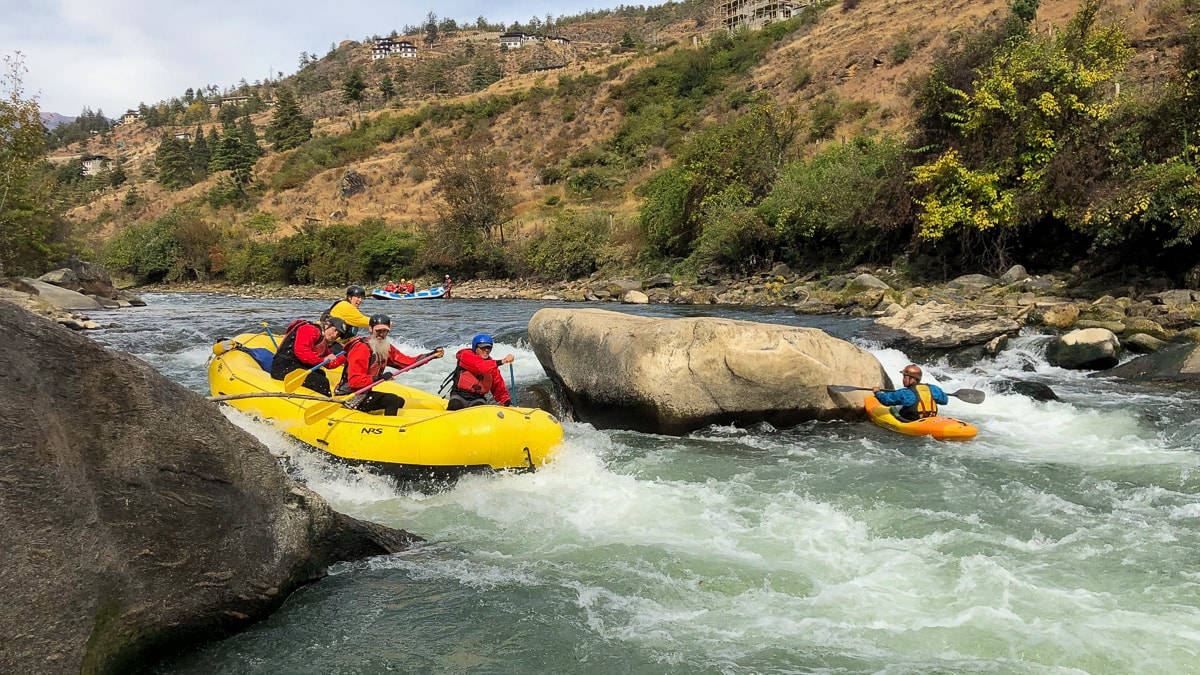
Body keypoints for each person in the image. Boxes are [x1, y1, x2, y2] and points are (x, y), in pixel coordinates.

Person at [335, 314, 444, 416]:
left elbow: (406, 363)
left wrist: (431, 355)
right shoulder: (361, 348)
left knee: (399, 401)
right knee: (391, 400)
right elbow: (354, 381)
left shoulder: (385, 348)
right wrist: (379, 378)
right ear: (370, 329)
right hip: (348, 396)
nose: (380, 334)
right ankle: (388, 431)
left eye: (384, 331)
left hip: (364, 393)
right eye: (378, 331)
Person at [269, 317, 349, 396]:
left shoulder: (322, 342)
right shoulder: (309, 329)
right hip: (283, 366)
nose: (335, 335)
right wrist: (322, 360)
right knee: (321, 381)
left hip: (295, 367)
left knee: (321, 373)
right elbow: (302, 352)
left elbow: (329, 364)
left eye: (338, 334)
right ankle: (325, 401)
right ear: (327, 325)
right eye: (334, 330)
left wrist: (345, 355)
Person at [445, 333, 513, 410]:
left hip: (477, 398)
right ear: (476, 348)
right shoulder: (465, 356)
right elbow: (480, 366)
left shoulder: (492, 367)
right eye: (483, 347)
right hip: (459, 395)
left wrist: (508, 403)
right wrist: (503, 361)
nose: (486, 350)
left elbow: (499, 387)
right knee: (455, 405)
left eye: (488, 347)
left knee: (479, 409)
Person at [873, 364, 949, 422]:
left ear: (912, 379)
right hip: (930, 421)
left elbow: (886, 400)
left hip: (911, 422)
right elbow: (945, 400)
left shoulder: (906, 393)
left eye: (905, 377)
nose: (903, 380)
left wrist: (877, 393)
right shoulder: (933, 389)